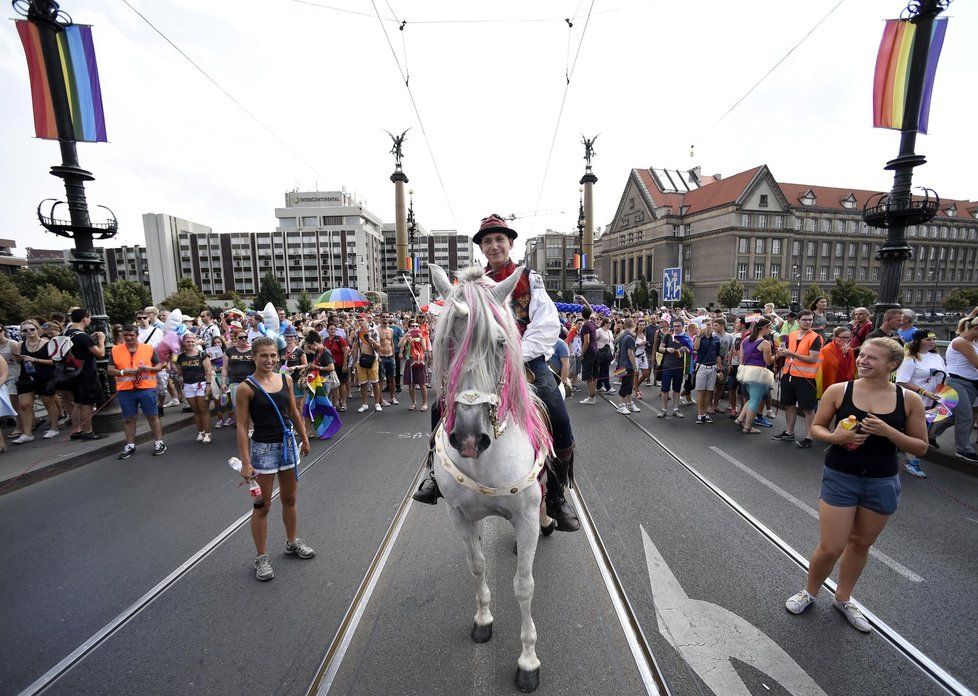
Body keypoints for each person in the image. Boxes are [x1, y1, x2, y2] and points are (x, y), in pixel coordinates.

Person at [412, 214, 580, 532]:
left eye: (499, 239)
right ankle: (433, 473)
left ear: (510, 242)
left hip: (526, 359)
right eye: (487, 241)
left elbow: (548, 325)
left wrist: (517, 354)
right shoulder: (473, 285)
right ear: (482, 248)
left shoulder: (530, 280)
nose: (493, 245)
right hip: (484, 361)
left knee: (554, 405)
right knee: (440, 404)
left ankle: (557, 495)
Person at [785, 338, 927, 633]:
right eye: (862, 355)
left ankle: (843, 598)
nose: (862, 360)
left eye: (872, 358)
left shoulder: (908, 399)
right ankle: (809, 592)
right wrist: (837, 437)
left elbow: (921, 447)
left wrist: (889, 431)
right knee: (831, 546)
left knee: (861, 544)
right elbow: (817, 428)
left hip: (882, 480)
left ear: (892, 365)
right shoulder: (840, 391)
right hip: (841, 476)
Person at [235, 336, 313, 582]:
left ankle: (292, 542)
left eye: (273, 355)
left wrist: (304, 436)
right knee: (262, 506)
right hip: (263, 450)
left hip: (288, 446)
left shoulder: (285, 379)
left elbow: (293, 410)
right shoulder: (246, 388)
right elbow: (240, 425)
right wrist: (246, 462)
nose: (269, 360)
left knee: (290, 499)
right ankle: (261, 557)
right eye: (263, 356)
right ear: (254, 358)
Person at [107, 324, 166, 459]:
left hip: (146, 388)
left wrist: (149, 368)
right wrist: (123, 372)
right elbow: (110, 369)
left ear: (137, 335)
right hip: (126, 390)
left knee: (152, 415)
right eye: (125, 335)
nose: (128, 338)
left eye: (131, 335)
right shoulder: (116, 350)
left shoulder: (148, 348)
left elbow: (159, 365)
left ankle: (159, 442)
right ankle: (130, 445)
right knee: (129, 418)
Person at [895, 329, 945, 478]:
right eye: (928, 339)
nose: (932, 342)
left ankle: (911, 461)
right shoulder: (910, 358)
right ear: (918, 341)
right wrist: (923, 392)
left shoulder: (937, 357)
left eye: (934, 339)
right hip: (912, 402)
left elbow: (942, 378)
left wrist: (942, 395)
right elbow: (902, 381)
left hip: (933, 402)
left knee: (920, 433)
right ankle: (901, 459)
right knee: (907, 431)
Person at [929, 316, 978, 463]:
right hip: (956, 383)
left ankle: (929, 435)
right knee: (966, 416)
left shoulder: (973, 342)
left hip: (969, 383)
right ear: (976, 329)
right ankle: (963, 449)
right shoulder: (960, 343)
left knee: (950, 415)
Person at [772, 309, 823, 448]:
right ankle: (789, 432)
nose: (808, 322)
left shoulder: (815, 337)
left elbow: (812, 359)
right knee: (788, 405)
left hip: (806, 378)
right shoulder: (793, 334)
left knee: (808, 409)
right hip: (789, 374)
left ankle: (809, 437)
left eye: (810, 320)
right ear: (798, 321)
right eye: (805, 319)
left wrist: (790, 353)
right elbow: (789, 353)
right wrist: (783, 353)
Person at [13, 320, 59, 442]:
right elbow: (18, 360)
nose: (29, 332)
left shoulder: (48, 343)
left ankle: (54, 428)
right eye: (25, 330)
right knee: (24, 405)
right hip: (26, 377)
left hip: (45, 376)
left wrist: (35, 360)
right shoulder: (20, 345)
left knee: (48, 402)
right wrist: (19, 358)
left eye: (32, 329)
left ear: (37, 329)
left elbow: (54, 361)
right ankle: (27, 433)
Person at [63, 308, 106, 441]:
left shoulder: (66, 333)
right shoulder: (82, 336)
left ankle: (76, 431)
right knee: (87, 403)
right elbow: (100, 353)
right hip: (86, 373)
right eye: (89, 318)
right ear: (84, 319)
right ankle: (88, 432)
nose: (90, 320)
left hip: (72, 372)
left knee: (77, 402)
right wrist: (101, 341)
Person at [736, 318, 775, 434]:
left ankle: (740, 418)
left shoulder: (746, 339)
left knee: (751, 399)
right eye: (769, 327)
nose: (770, 330)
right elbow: (768, 361)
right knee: (755, 401)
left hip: (745, 371)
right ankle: (747, 427)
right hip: (758, 373)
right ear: (763, 328)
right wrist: (777, 356)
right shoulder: (765, 343)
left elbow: (741, 358)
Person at [176, 332, 213, 444]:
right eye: (188, 341)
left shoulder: (202, 354)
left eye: (192, 341)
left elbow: (208, 370)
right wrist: (179, 376)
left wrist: (208, 385)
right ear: (183, 343)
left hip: (201, 384)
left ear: (195, 341)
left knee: (203, 409)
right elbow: (179, 371)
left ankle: (208, 433)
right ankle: (200, 432)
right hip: (188, 385)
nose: (190, 343)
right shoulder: (180, 357)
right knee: (195, 410)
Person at [655, 318, 689, 419]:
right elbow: (660, 348)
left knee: (677, 389)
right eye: (674, 326)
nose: (676, 328)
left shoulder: (685, 337)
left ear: (683, 326)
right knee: (665, 389)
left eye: (678, 326)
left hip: (679, 367)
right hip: (667, 366)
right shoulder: (668, 335)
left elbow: (691, 350)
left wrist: (686, 349)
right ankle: (663, 410)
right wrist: (666, 349)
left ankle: (675, 409)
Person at [222, 329, 254, 427]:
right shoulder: (229, 351)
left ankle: (251, 427)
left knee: (252, 406)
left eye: (245, 337)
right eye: (241, 337)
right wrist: (223, 382)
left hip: (251, 382)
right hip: (235, 382)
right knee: (237, 406)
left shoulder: (253, 350)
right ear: (236, 338)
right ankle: (242, 427)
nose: (244, 339)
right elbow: (225, 368)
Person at [692, 318, 721, 424]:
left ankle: (705, 413)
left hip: (712, 367)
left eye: (709, 324)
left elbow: (717, 354)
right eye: (705, 325)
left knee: (709, 391)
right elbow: (695, 348)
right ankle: (700, 415)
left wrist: (719, 368)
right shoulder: (699, 337)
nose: (708, 327)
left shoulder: (716, 339)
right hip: (702, 366)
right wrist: (699, 335)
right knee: (701, 391)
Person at [353, 315, 383, 413]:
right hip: (361, 360)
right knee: (363, 384)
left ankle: (377, 403)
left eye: (362, 320)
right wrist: (354, 362)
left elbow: (379, 347)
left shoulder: (373, 331)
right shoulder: (357, 333)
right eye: (358, 320)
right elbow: (355, 348)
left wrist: (372, 341)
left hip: (372, 359)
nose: (360, 322)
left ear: (366, 320)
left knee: (375, 383)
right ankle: (364, 404)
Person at [817, 326, 856, 397]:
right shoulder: (827, 349)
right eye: (843, 337)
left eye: (848, 338)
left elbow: (852, 366)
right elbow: (834, 365)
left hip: (846, 382)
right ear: (835, 337)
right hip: (832, 380)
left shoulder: (849, 350)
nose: (846, 340)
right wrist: (843, 354)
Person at [400, 319, 430, 411]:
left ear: (419, 328)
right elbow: (399, 344)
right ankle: (413, 402)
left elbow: (425, 349)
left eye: (416, 326)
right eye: (412, 326)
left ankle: (424, 403)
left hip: (419, 361)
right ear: (410, 327)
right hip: (410, 361)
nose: (414, 327)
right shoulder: (408, 338)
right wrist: (406, 335)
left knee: (422, 383)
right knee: (411, 384)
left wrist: (421, 338)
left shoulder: (422, 337)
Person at [614, 319, 639, 414]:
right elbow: (630, 353)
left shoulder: (622, 335)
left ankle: (630, 403)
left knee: (628, 386)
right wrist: (635, 367)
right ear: (633, 325)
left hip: (621, 364)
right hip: (627, 366)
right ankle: (621, 405)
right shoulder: (629, 338)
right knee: (625, 386)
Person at [324, 325, 349, 412]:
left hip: (340, 365)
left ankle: (344, 403)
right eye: (331, 329)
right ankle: (336, 403)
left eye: (334, 329)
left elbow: (345, 351)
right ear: (327, 330)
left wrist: (345, 364)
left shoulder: (340, 339)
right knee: (333, 385)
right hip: (331, 367)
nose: (333, 330)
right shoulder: (325, 340)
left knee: (341, 384)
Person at [376, 314, 398, 407]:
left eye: (386, 317)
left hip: (390, 357)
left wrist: (393, 355)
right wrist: (377, 356)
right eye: (383, 317)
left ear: (389, 318)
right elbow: (375, 344)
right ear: (380, 319)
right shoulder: (376, 330)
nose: (385, 318)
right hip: (381, 357)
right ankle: (380, 400)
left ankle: (393, 397)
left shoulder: (391, 330)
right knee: (380, 379)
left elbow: (392, 343)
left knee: (392, 378)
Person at [578, 305, 599, 404]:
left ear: (582, 315)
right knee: (594, 375)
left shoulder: (586, 325)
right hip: (595, 350)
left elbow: (586, 341)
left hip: (589, 352)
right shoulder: (592, 323)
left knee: (588, 375)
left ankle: (591, 397)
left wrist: (582, 354)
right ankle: (592, 395)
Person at [594, 317, 614, 393]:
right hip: (602, 354)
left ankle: (599, 386)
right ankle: (608, 387)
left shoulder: (610, 331)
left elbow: (611, 342)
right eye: (609, 323)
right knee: (605, 370)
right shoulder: (599, 331)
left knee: (603, 370)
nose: (611, 324)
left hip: (609, 354)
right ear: (605, 323)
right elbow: (594, 340)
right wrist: (598, 349)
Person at [633, 319, 650, 400]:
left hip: (643, 356)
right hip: (635, 357)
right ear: (637, 325)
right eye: (640, 325)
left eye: (643, 325)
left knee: (646, 374)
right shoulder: (634, 334)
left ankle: (635, 386)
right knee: (636, 374)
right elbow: (631, 347)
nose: (642, 326)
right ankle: (637, 391)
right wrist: (639, 344)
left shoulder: (644, 333)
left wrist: (646, 344)